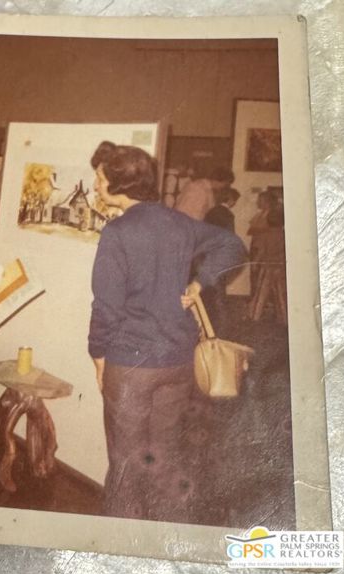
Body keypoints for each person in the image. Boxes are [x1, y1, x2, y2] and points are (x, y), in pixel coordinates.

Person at [87, 141, 245, 523]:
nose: (96, 185)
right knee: (164, 456)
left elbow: (105, 307)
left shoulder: (117, 232)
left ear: (119, 184)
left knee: (125, 467)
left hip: (131, 366)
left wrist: (98, 356)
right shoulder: (179, 223)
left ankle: (121, 547)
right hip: (177, 362)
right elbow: (232, 246)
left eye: (100, 178)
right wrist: (200, 283)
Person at [203, 187, 242, 335]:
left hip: (207, 254)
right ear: (230, 199)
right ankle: (221, 330)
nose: (234, 203)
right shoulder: (227, 215)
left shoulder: (211, 211)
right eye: (235, 200)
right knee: (219, 294)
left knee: (208, 294)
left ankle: (208, 327)